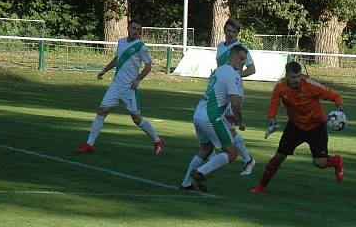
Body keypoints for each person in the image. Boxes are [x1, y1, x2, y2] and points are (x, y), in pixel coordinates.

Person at [250, 61, 345, 193]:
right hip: (295, 126)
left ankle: (337, 160)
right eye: (293, 77)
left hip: (316, 126)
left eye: (299, 76)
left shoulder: (311, 85)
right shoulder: (280, 87)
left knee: (320, 163)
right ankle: (261, 186)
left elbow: (335, 96)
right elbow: (274, 104)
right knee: (278, 157)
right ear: (286, 75)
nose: (297, 80)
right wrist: (271, 120)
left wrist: (339, 108)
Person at [76, 19, 163, 154]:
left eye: (138, 30)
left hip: (130, 88)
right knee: (102, 111)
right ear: (128, 28)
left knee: (136, 118)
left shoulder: (140, 46)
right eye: (134, 28)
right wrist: (105, 70)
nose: (136, 31)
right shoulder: (121, 42)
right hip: (116, 85)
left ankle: (157, 140)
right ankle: (89, 144)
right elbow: (118, 59)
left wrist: (137, 80)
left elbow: (148, 66)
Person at [180, 46, 249, 191]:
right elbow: (235, 102)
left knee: (206, 148)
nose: (243, 63)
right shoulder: (233, 75)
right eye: (242, 59)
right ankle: (200, 172)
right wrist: (240, 121)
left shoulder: (219, 70)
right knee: (232, 153)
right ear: (234, 56)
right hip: (211, 117)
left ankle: (186, 183)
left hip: (198, 113)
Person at [214, 18, 257, 175]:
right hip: (220, 91)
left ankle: (248, 160)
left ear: (237, 33)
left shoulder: (241, 49)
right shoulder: (220, 47)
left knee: (228, 127)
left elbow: (252, 69)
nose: (230, 34)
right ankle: (245, 159)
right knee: (219, 123)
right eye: (228, 30)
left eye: (234, 31)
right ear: (224, 31)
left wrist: (238, 73)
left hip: (233, 92)